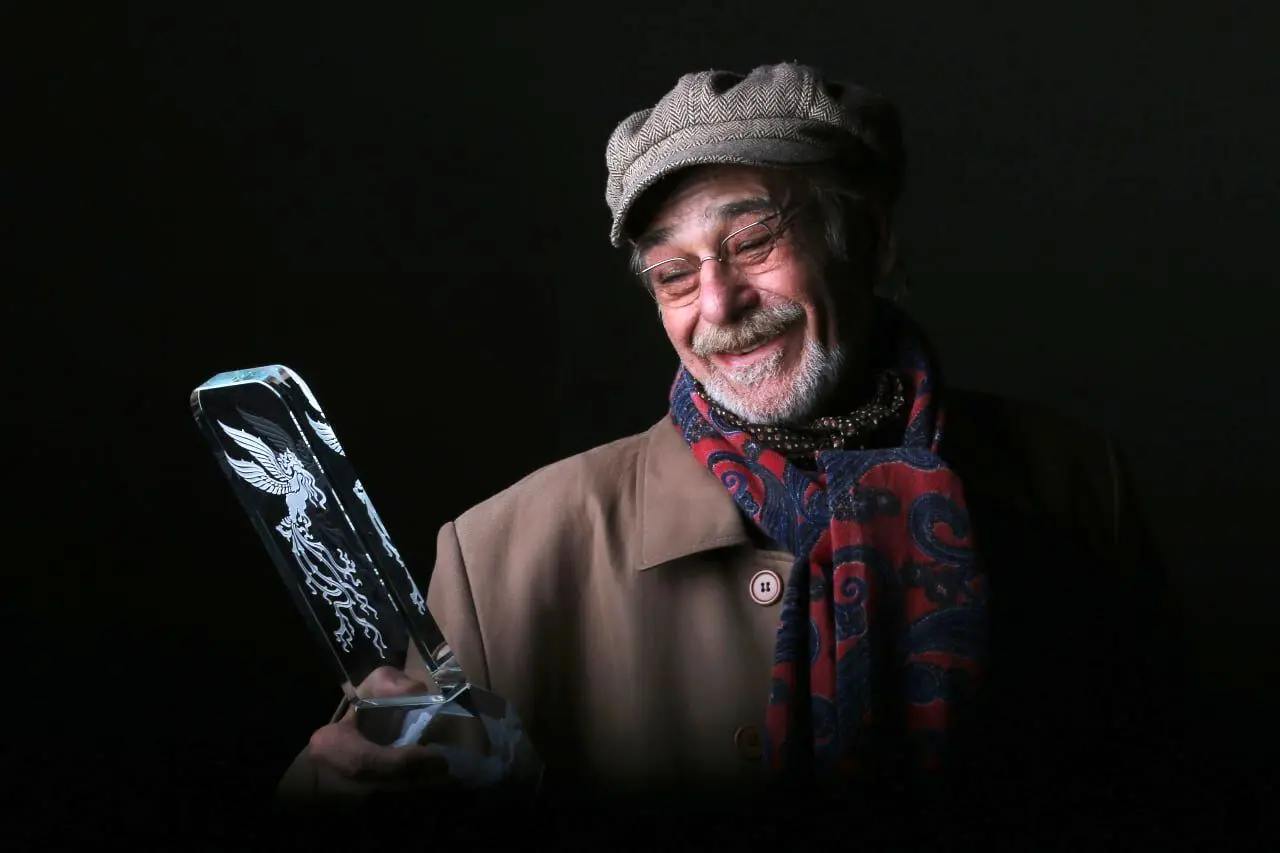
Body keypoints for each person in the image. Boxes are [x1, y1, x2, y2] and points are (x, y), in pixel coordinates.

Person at [275, 62, 1184, 837]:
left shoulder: (1071, 484)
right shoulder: (499, 555)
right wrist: (326, 800)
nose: (717, 304)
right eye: (674, 274)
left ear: (869, 242)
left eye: (753, 241)